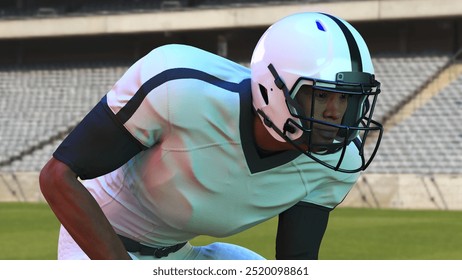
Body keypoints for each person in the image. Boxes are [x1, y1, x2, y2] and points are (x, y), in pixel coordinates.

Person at [39, 12, 383, 260]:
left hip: (179, 257)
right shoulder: (181, 89)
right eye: (321, 96)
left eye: (348, 99)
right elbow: (58, 177)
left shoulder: (337, 162)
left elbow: (297, 260)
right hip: (97, 248)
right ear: (273, 87)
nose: (336, 114)